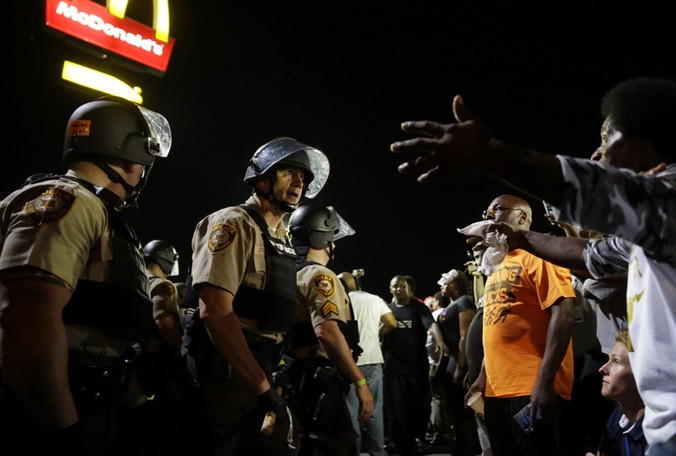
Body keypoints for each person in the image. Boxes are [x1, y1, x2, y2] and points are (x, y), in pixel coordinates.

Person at [391, 77, 676, 454]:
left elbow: (589, 190)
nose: (597, 152)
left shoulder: (668, 202)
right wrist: (522, 239)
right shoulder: (648, 230)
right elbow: (587, 255)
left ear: (640, 139)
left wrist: (490, 155)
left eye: (607, 138)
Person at [0, 96, 172, 454]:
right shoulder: (68, 201)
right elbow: (28, 320)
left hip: (84, 403)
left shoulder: (100, 215)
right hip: (41, 413)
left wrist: (137, 403)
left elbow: (99, 334)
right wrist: (64, 432)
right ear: (130, 157)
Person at [183, 137, 330, 455]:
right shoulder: (233, 223)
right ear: (262, 176)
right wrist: (261, 386)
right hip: (227, 371)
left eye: (303, 177)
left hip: (261, 366)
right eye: (290, 172)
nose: (299, 182)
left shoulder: (281, 237)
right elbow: (215, 312)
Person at [462, 195, 577, 456]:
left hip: (531, 386)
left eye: (498, 210)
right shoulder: (499, 265)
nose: (490, 217)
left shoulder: (542, 254)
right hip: (497, 390)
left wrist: (545, 380)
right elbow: (499, 323)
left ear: (522, 217)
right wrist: (483, 377)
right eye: (488, 212)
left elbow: (564, 313)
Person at [285, 204, 374, 455]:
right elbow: (327, 332)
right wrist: (360, 381)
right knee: (335, 446)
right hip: (318, 379)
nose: (334, 245)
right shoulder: (319, 276)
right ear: (322, 237)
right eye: (332, 237)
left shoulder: (288, 274)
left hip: (294, 374)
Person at [141, 239, 198, 456]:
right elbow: (164, 323)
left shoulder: (135, 277)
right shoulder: (162, 285)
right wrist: (181, 349)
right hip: (156, 362)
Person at [383, 274, 447, 455]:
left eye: (402, 285)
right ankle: (402, 446)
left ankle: (415, 439)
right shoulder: (387, 310)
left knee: (420, 407)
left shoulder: (418, 308)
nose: (398, 289)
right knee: (396, 411)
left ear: (408, 288)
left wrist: (440, 341)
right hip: (394, 369)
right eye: (395, 286)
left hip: (417, 368)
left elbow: (431, 326)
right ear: (390, 289)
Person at [338, 270, 396, 456]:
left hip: (350, 361)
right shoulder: (374, 299)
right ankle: (378, 451)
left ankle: (354, 450)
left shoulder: (342, 300)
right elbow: (391, 323)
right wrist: (375, 333)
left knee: (352, 409)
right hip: (373, 359)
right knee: (375, 408)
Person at [436, 269, 479, 456]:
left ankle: (469, 448)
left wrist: (460, 367)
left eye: (446, 283)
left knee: (464, 409)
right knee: (454, 407)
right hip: (450, 362)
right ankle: (461, 445)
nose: (442, 286)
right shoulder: (452, 304)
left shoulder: (464, 302)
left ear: (455, 283)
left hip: (459, 362)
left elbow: (465, 336)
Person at [593, 328, 647, 456]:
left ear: (641, 373)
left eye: (616, 362)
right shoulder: (619, 417)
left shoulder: (661, 433)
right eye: (607, 360)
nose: (602, 369)